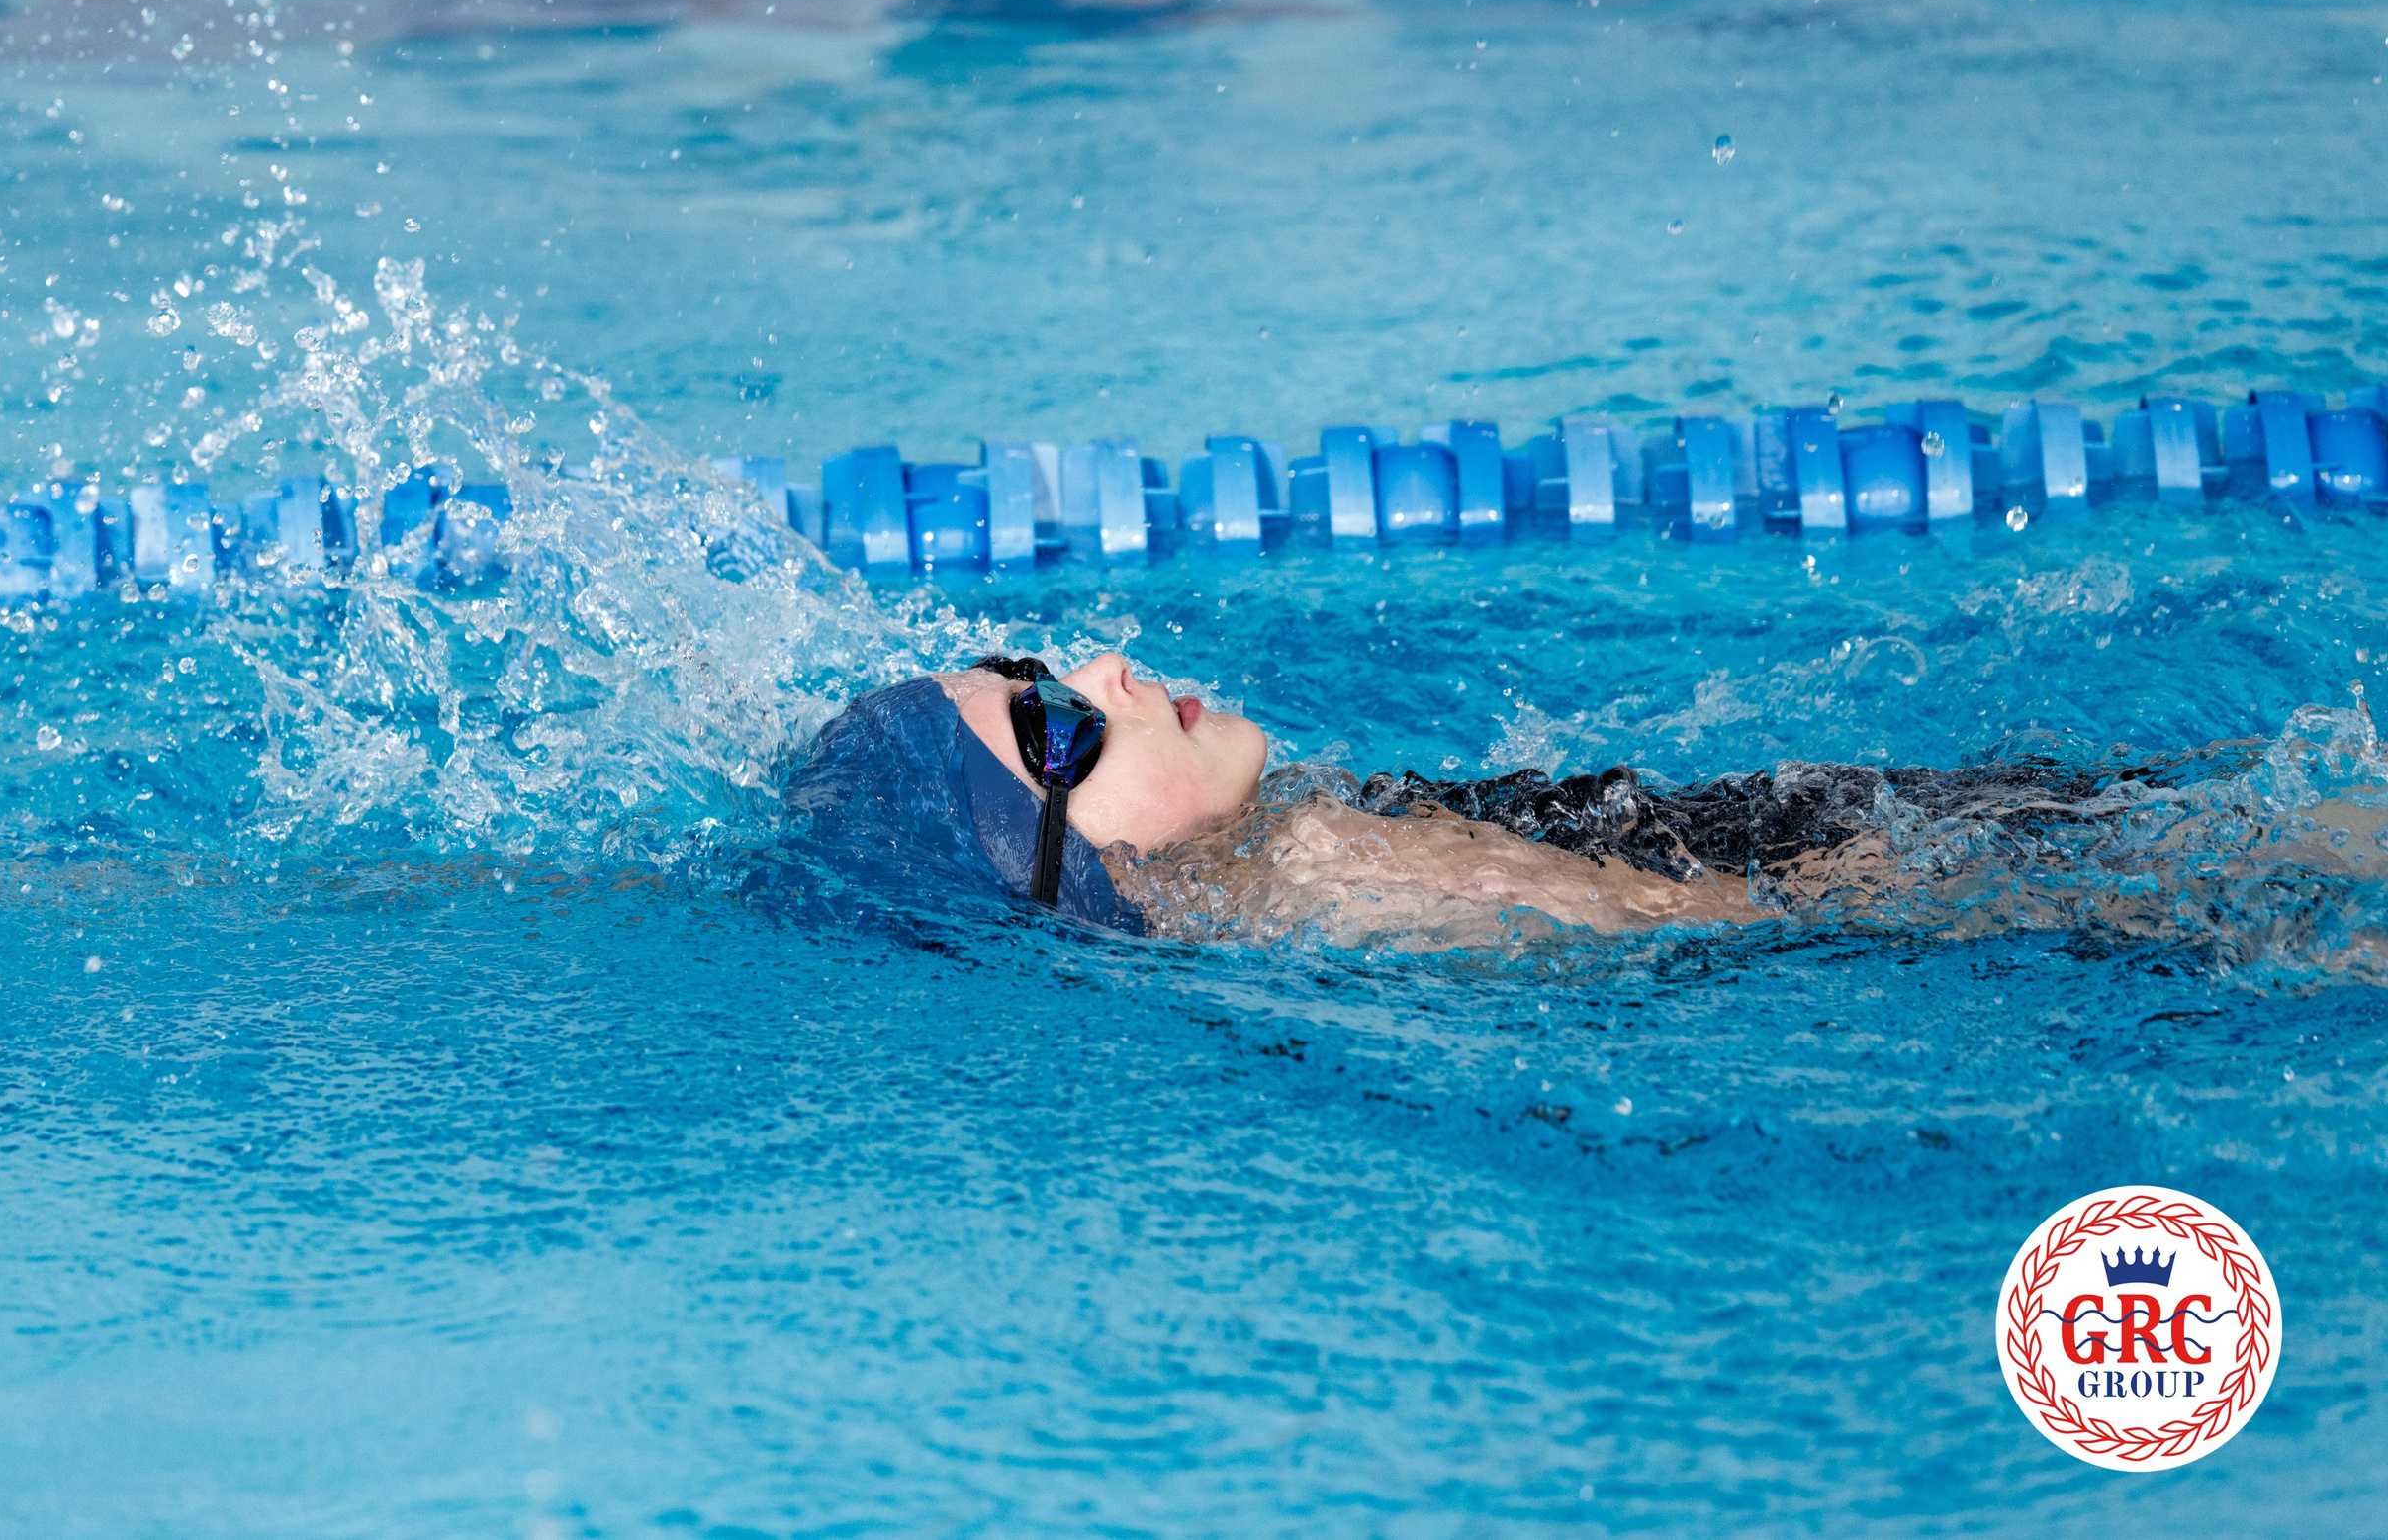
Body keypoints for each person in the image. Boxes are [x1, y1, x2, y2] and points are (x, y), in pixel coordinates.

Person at [786, 653, 2388, 951]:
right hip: (1917, 871)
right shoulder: (1332, 880)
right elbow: (1748, 918)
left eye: (1037, 660)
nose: (1104, 664)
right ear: (1067, 864)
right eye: (1055, 718)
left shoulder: (1283, 870)